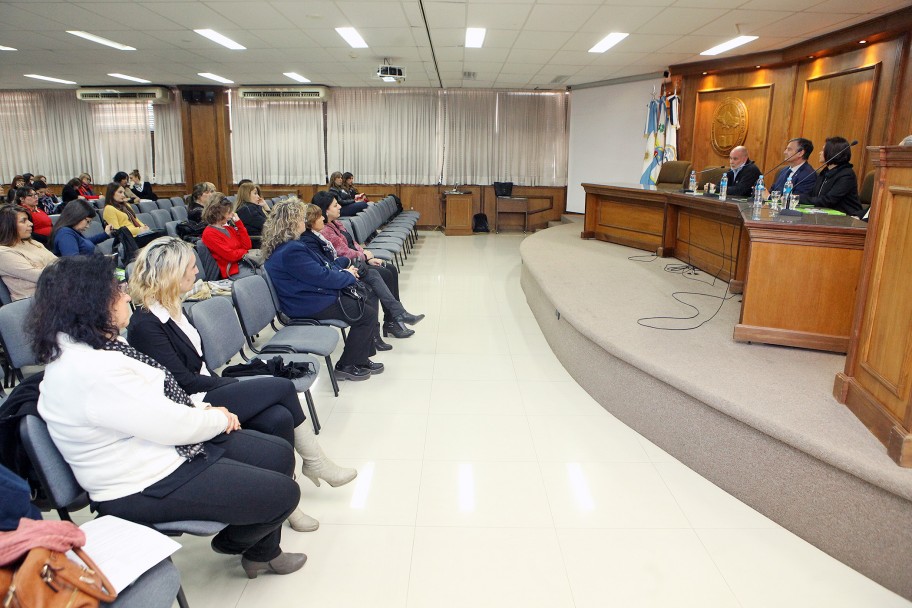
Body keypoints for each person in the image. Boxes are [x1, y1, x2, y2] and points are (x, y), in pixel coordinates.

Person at [30, 255, 306, 578]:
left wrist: (204, 409)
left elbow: (158, 399)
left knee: (279, 455)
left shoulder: (95, 346)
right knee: (286, 494)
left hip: (160, 451)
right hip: (142, 485)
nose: (127, 295)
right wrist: (216, 417)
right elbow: (170, 425)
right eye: (118, 290)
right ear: (90, 302)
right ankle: (234, 542)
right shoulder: (90, 371)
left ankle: (262, 552)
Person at [126, 237, 357, 532]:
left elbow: (197, 364)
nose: (197, 272)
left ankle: (288, 503)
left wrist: (226, 382)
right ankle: (316, 462)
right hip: (194, 400)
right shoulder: (146, 324)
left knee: (279, 417)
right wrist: (229, 382)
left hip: (207, 386)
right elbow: (182, 381)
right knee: (283, 387)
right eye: (191, 268)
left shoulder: (174, 308)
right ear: (171, 273)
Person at [263, 199, 382, 381]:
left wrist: (343, 270)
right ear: (292, 223)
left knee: (367, 303)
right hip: (305, 304)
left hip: (307, 296)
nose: (304, 221)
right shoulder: (291, 250)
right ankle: (347, 365)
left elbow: (321, 269)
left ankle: (360, 359)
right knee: (366, 314)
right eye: (301, 218)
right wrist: (348, 276)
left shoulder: (290, 246)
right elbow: (322, 276)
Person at [313, 190, 423, 342]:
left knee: (390, 269)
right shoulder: (325, 230)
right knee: (384, 274)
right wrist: (364, 257)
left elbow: (353, 243)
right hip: (348, 266)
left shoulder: (336, 223)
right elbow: (343, 253)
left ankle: (393, 320)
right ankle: (392, 321)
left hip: (358, 261)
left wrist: (367, 256)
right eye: (335, 205)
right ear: (325, 210)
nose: (339, 207)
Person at [0, 205, 57, 300]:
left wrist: (42, 267)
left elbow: (58, 263)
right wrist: (49, 266)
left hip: (56, 293)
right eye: (23, 221)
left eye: (29, 220)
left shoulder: (32, 242)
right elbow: (41, 276)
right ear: (9, 225)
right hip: (34, 303)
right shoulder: (3, 252)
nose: (31, 224)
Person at [799, 136, 863, 217]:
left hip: (846, 217)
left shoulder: (846, 174)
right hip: (824, 214)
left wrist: (799, 199)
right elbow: (813, 195)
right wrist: (795, 198)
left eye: (823, 150)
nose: (820, 153)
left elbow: (829, 200)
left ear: (832, 152)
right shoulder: (825, 171)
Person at [200, 194, 255, 279]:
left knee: (267, 270)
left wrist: (238, 223)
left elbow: (247, 246)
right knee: (263, 275)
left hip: (243, 263)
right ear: (218, 213)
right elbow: (231, 256)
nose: (231, 216)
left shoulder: (229, 228)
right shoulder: (209, 233)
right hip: (232, 270)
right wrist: (244, 251)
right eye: (228, 213)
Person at [103, 182, 160, 247]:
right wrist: (138, 230)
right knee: (159, 237)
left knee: (161, 233)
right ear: (112, 193)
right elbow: (118, 231)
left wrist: (144, 227)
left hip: (138, 235)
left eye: (123, 193)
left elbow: (136, 220)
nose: (123, 195)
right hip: (128, 240)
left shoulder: (126, 205)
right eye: (120, 192)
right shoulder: (109, 209)